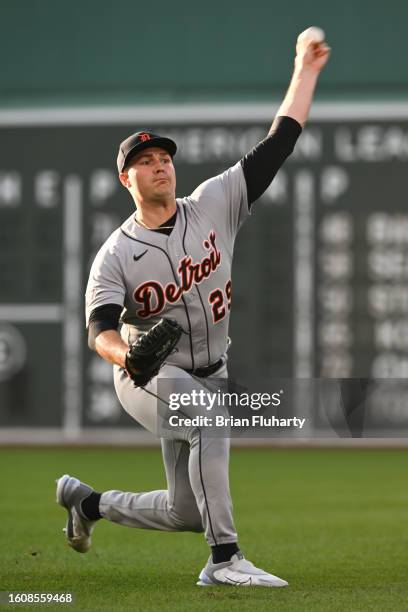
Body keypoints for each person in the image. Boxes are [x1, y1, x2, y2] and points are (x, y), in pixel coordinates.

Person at [56, 31, 330, 587]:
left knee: (185, 510)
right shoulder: (116, 254)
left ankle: (87, 505)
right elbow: (99, 329)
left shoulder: (213, 202)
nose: (159, 166)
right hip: (150, 375)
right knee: (210, 421)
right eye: (145, 161)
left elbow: (280, 141)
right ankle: (225, 560)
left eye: (163, 158)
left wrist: (305, 70)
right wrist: (125, 351)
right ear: (125, 178)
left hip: (213, 369)